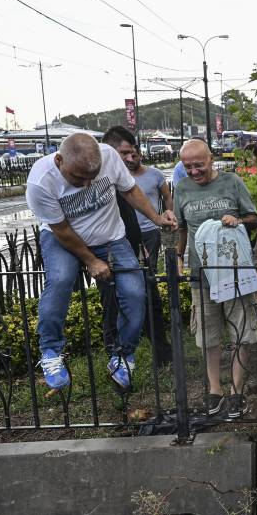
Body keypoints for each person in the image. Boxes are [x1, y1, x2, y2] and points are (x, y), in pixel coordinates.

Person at [26, 132, 177, 390]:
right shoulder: (41, 182)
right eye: (78, 177)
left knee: (135, 292)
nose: (86, 184)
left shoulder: (108, 155)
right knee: (60, 279)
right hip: (63, 238)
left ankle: (123, 356)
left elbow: (129, 190)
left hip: (111, 237)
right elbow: (61, 229)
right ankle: (51, 352)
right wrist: (91, 261)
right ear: (60, 160)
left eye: (92, 177)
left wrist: (156, 217)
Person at [174, 139, 257, 419]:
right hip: (202, 275)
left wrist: (238, 220)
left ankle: (237, 392)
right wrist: (177, 257)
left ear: (211, 159)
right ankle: (215, 390)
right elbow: (181, 228)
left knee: (241, 333)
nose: (194, 171)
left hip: (234, 271)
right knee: (207, 337)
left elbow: (255, 218)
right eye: (188, 167)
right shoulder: (182, 188)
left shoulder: (232, 182)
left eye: (199, 165)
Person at [104, 127, 173, 366]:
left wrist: (156, 220)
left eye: (132, 153)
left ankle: (163, 353)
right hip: (109, 252)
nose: (129, 159)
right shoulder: (96, 176)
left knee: (149, 295)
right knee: (113, 303)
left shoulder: (131, 178)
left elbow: (139, 210)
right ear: (108, 150)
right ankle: (117, 359)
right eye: (123, 153)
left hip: (136, 244)